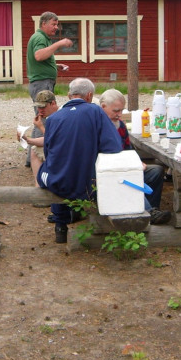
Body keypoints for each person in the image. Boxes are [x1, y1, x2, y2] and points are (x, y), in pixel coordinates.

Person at [37, 78, 122, 243]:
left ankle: (60, 224)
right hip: (86, 183)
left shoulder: (53, 119)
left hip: (57, 181)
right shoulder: (96, 112)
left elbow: (48, 152)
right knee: (85, 168)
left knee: (51, 169)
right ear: (89, 96)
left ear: (69, 95)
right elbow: (114, 146)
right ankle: (90, 220)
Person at [99, 89, 171, 225]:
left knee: (156, 171)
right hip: (106, 173)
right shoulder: (96, 127)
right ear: (103, 107)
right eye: (116, 111)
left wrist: (137, 162)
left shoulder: (120, 126)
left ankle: (152, 209)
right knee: (127, 179)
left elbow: (128, 149)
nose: (119, 115)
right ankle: (150, 212)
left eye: (121, 111)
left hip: (124, 167)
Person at [25, 12, 72, 165]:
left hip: (43, 82)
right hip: (41, 84)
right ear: (43, 23)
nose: (56, 27)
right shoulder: (39, 38)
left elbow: (41, 60)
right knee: (44, 119)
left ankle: (32, 158)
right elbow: (38, 55)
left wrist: (55, 66)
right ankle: (38, 158)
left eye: (57, 24)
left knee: (42, 118)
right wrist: (59, 43)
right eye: (53, 24)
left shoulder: (43, 38)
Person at [19, 90, 60, 184]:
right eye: (38, 107)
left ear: (53, 103)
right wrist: (27, 139)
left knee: (36, 151)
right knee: (34, 149)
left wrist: (41, 127)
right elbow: (47, 139)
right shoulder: (51, 117)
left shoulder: (59, 116)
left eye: (43, 107)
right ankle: (39, 184)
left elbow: (54, 140)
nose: (40, 110)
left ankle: (39, 186)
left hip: (63, 152)